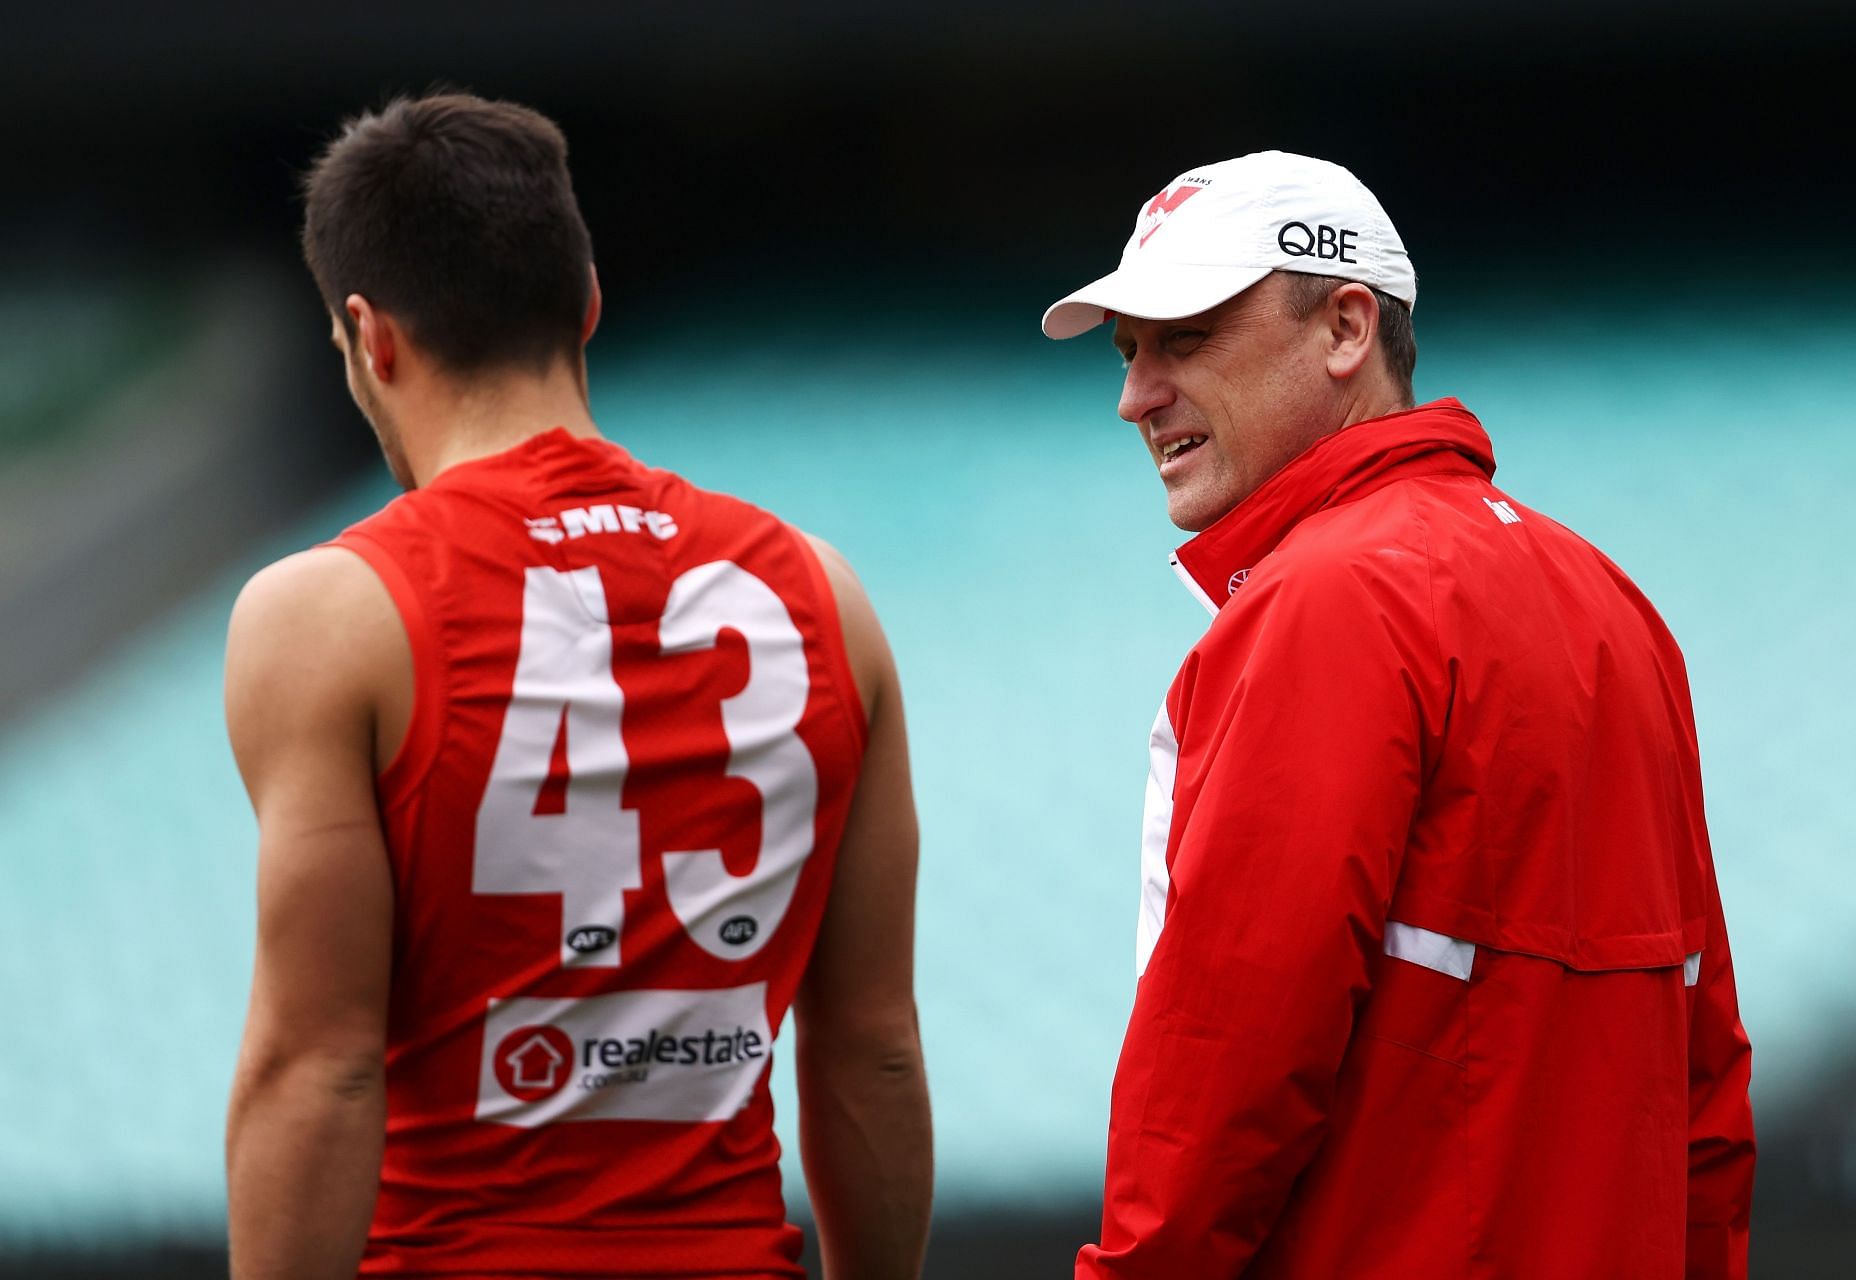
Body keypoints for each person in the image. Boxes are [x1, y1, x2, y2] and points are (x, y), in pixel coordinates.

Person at [223, 93, 932, 1279]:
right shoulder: (822, 591)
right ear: (588, 302)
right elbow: (872, 1049)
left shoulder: (328, 613)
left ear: (369, 336)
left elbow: (320, 1063)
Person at [1041, 151, 1755, 1278]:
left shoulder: (1321, 601)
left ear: (1346, 327)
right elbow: (1703, 1080)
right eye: (1130, 353)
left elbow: (1224, 1072)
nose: (1134, 396)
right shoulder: (1614, 604)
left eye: (1186, 336)